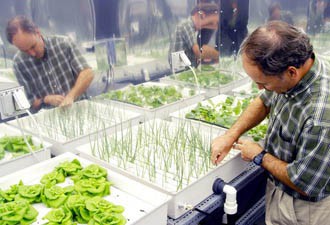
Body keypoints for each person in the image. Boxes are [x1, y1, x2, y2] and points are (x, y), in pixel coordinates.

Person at [211, 21, 330, 224]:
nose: (259, 88)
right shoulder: (298, 72)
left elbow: (304, 182)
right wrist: (231, 135)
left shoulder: (320, 117)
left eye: (264, 83)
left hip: (303, 209)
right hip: (279, 189)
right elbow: (264, 102)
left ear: (291, 72)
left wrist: (259, 156)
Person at [6, 15, 94, 112]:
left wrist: (71, 96)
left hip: (80, 108)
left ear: (37, 32)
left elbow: (87, 73)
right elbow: (28, 102)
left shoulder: (63, 44)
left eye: (33, 46)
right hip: (49, 116)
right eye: (25, 51)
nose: (32, 53)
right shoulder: (19, 63)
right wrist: (45, 100)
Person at [169, 3, 219, 67]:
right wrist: (219, 55)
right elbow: (198, 52)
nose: (214, 27)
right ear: (202, 15)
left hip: (186, 67)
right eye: (211, 23)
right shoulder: (187, 25)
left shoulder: (193, 28)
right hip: (180, 68)